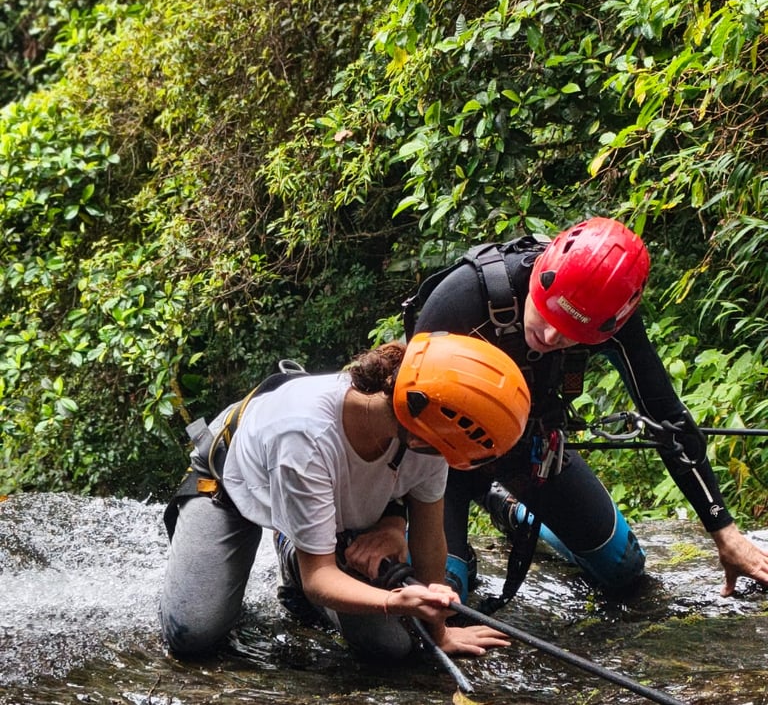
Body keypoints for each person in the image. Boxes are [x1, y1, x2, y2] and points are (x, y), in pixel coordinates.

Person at [401, 217, 768, 605]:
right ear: (541, 274)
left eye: (573, 333)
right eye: (547, 313)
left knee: (624, 566)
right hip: (442, 463)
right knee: (445, 593)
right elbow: (404, 415)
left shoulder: (609, 315)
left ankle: (507, 506)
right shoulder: (466, 296)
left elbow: (667, 420)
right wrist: (388, 522)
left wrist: (724, 531)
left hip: (529, 449)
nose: (550, 337)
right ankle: (463, 543)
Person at [159, 331, 531, 661]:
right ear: (420, 435)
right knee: (193, 633)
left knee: (390, 647)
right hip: (230, 483)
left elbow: (429, 533)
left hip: (330, 488)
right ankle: (294, 545)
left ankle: (300, 548)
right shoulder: (305, 437)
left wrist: (439, 631)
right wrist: (392, 601)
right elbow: (320, 578)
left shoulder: (426, 427)